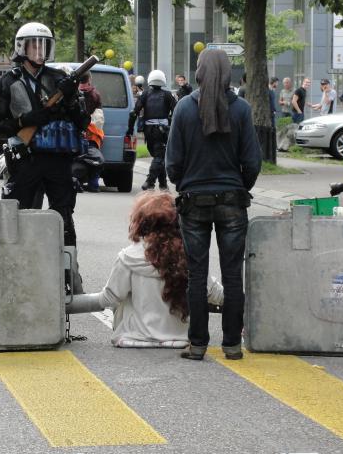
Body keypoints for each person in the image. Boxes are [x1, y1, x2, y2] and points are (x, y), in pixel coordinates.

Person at [165, 48, 262, 361]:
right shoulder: (242, 110)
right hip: (233, 201)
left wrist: (186, 184)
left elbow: (172, 164)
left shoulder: (183, 109)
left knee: (197, 275)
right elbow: (253, 162)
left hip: (193, 203)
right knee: (233, 275)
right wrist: (238, 187)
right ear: (228, 73)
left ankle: (197, 344)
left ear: (199, 72)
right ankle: (232, 344)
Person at [0, 22, 89, 291]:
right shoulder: (5, 83)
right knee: (18, 218)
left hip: (58, 161)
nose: (40, 50)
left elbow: (82, 122)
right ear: (21, 47)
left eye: (45, 44)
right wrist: (26, 119)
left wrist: (70, 99)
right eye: (35, 44)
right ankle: (12, 274)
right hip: (25, 161)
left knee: (64, 217)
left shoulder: (61, 79)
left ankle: (70, 275)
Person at [98, 191, 224, 348]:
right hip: (181, 339)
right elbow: (216, 294)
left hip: (134, 337)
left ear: (141, 223)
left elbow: (109, 299)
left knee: (123, 296)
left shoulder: (128, 257)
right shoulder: (189, 256)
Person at [127, 69, 176, 191]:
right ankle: (150, 181)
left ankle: (163, 185)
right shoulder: (167, 95)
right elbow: (177, 111)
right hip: (162, 131)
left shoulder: (145, 94)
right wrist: (171, 122)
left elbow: (134, 113)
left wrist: (130, 129)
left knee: (157, 156)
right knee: (159, 157)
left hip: (148, 131)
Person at [78, 72, 104, 192]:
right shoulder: (95, 95)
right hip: (92, 136)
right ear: (89, 79)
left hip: (75, 135)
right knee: (96, 161)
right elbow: (98, 118)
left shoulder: (73, 92)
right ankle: (93, 185)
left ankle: (76, 182)